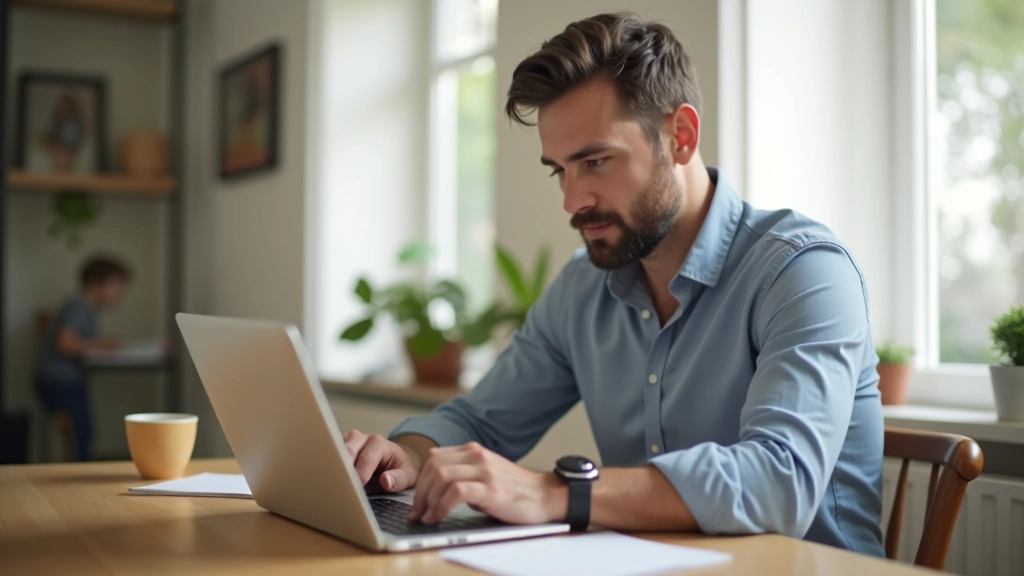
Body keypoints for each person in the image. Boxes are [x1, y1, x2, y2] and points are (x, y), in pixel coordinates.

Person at [343, 13, 884, 556]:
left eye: (595, 161)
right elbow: (480, 418)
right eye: (559, 170)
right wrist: (408, 456)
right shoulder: (582, 289)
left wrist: (558, 491)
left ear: (682, 137)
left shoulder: (805, 272)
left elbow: (779, 481)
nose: (571, 201)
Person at [36, 256, 130, 461]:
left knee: (85, 431)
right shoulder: (79, 307)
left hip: (62, 381)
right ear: (96, 283)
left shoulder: (85, 309)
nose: (119, 294)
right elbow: (65, 343)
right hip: (58, 382)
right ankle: (77, 474)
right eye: (116, 286)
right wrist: (103, 346)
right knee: (82, 432)